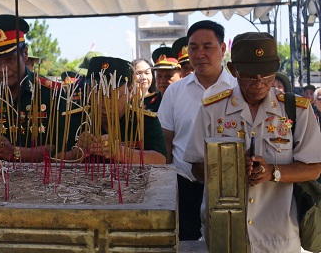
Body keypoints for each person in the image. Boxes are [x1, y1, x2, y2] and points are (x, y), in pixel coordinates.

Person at [184, 32, 321, 252]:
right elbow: (196, 167)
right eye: (249, 76)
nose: (259, 83)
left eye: (267, 76)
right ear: (233, 70)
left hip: (279, 235)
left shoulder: (297, 111)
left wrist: (273, 172)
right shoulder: (212, 109)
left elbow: (314, 168)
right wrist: (231, 167)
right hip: (226, 232)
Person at [0, 14, 82, 162]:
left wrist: (15, 153)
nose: (3, 69)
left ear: (25, 54)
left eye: (10, 60)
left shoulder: (53, 94)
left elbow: (65, 149)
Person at [158, 20, 237, 241]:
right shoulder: (175, 91)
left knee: (227, 242)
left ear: (222, 48)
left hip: (229, 187)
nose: (200, 54)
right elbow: (166, 141)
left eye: (207, 47)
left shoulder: (237, 89)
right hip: (184, 185)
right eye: (193, 48)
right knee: (186, 243)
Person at [76, 56, 166, 164]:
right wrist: (77, 153)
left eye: (113, 95)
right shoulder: (76, 119)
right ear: (88, 91)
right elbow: (58, 155)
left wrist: (119, 152)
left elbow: (160, 159)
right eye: (97, 95)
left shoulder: (144, 120)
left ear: (130, 91)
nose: (105, 103)